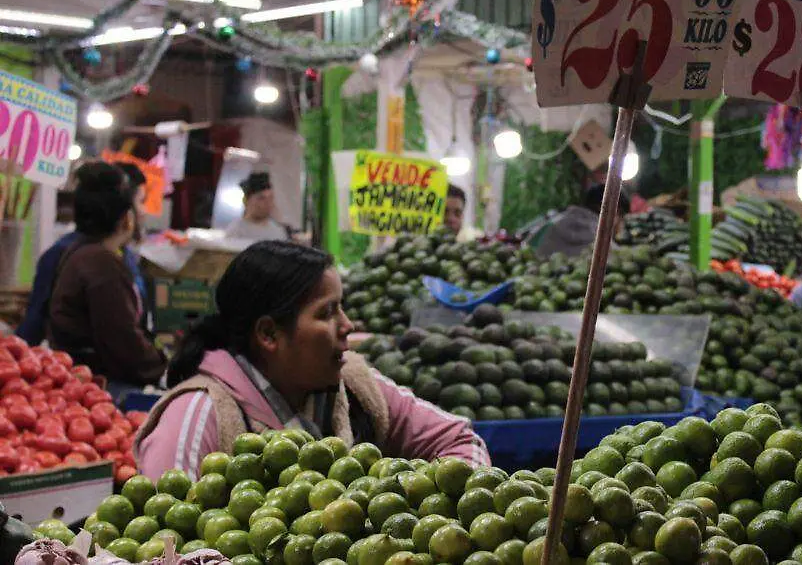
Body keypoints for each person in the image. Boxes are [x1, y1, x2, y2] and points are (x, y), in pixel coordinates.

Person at [134, 241, 489, 479]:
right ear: (269, 334)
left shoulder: (355, 386)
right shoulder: (198, 417)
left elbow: (461, 441)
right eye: (328, 312)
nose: (348, 325)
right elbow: (157, 544)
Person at [47, 162, 166, 394]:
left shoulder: (81, 253)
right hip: (100, 387)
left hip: (83, 381)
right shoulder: (101, 264)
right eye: (139, 204)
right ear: (126, 219)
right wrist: (164, 366)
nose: (143, 212)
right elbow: (124, 342)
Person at [19, 163, 148, 343]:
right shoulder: (62, 254)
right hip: (79, 368)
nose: (144, 211)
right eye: (141, 201)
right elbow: (33, 327)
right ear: (126, 214)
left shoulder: (125, 256)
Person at [531, 185, 630, 259]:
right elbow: (619, 259)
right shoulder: (597, 233)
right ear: (612, 209)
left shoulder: (557, 221)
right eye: (620, 216)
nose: (620, 223)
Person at [225, 172, 289, 242]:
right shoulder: (236, 231)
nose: (268, 203)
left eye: (270, 198)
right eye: (261, 198)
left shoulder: (278, 231)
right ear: (247, 201)